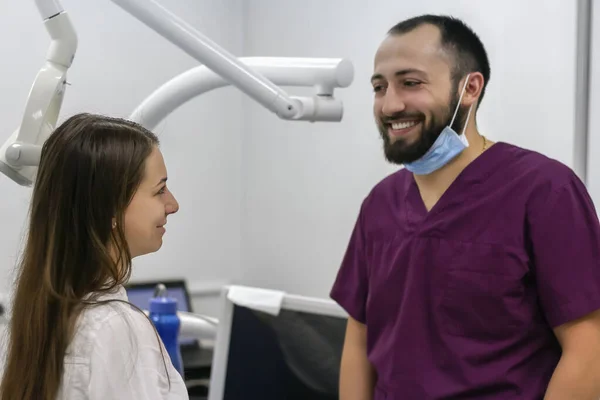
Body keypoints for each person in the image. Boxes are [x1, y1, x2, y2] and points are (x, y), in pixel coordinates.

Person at [330, 14, 600, 400]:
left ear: (469, 88)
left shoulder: (544, 191)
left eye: (410, 83)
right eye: (379, 87)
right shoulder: (380, 204)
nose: (390, 104)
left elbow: (589, 349)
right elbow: (360, 337)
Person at [0, 113, 187, 399]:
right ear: (109, 208)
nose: (172, 204)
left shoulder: (36, 316)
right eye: (159, 190)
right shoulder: (116, 328)